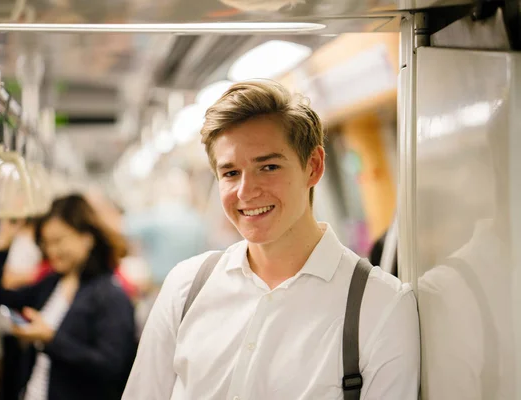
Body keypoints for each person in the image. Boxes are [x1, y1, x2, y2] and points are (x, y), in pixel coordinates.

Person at [122, 80, 420, 399]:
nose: (246, 191)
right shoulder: (185, 289)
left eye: (268, 166)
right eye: (231, 173)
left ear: (314, 167)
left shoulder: (380, 306)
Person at [0, 194, 137, 400]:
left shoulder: (109, 296)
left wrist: (51, 339)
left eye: (58, 240)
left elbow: (112, 367)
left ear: (86, 238)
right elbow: (3, 298)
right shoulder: (53, 282)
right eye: (46, 243)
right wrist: (2, 248)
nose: (51, 250)